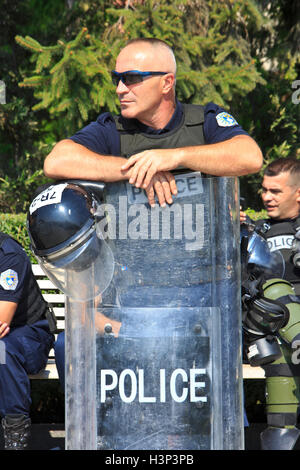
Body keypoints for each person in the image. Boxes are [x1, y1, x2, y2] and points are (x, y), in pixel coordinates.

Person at [43, 38, 262, 428]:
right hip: (134, 298)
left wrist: (173, 157)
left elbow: (249, 156)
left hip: (201, 296)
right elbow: (57, 160)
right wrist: (137, 167)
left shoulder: (204, 121)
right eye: (117, 78)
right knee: (67, 346)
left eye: (132, 78)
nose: (119, 88)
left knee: (218, 414)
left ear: (166, 83)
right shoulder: (112, 130)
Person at [240, 157, 300, 450]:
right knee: (280, 435)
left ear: (298, 192)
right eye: (264, 190)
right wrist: (234, 232)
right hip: (270, 332)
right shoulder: (256, 231)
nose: (265, 197)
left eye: (275, 191)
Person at [0, 232, 55, 450]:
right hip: (10, 336)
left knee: (1, 350)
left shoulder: (9, 254)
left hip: (31, 335)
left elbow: (2, 319)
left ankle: (16, 433)